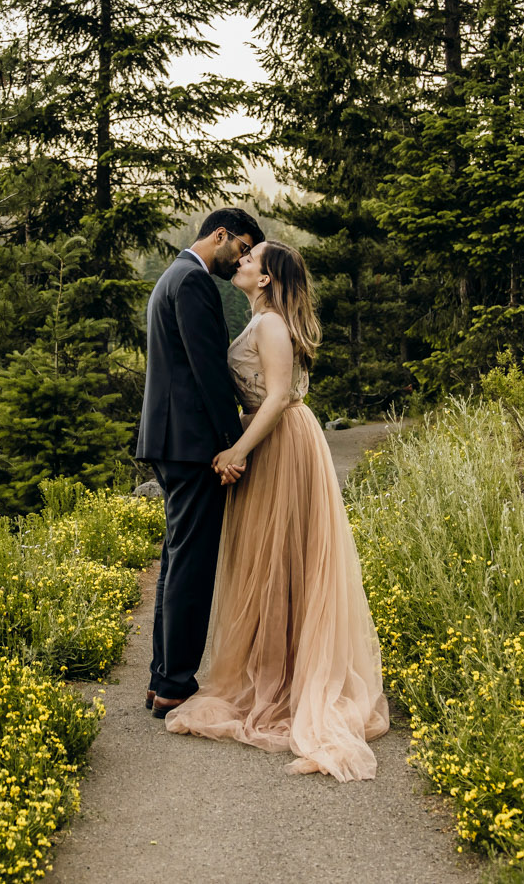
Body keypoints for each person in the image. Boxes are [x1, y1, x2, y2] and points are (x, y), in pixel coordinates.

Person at [163, 239, 390, 780]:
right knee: (275, 560)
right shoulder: (264, 320)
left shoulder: (269, 326)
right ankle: (277, 671)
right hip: (277, 442)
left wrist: (237, 449)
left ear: (265, 278)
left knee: (282, 556)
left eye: (250, 259)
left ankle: (286, 682)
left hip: (280, 444)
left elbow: (278, 395)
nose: (239, 261)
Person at [137, 207, 265, 719]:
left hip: (171, 442)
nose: (242, 260)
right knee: (191, 564)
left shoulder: (174, 277)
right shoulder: (191, 282)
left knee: (176, 560)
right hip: (190, 445)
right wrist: (234, 447)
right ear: (221, 235)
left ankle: (162, 679)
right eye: (243, 247)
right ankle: (175, 684)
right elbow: (208, 372)